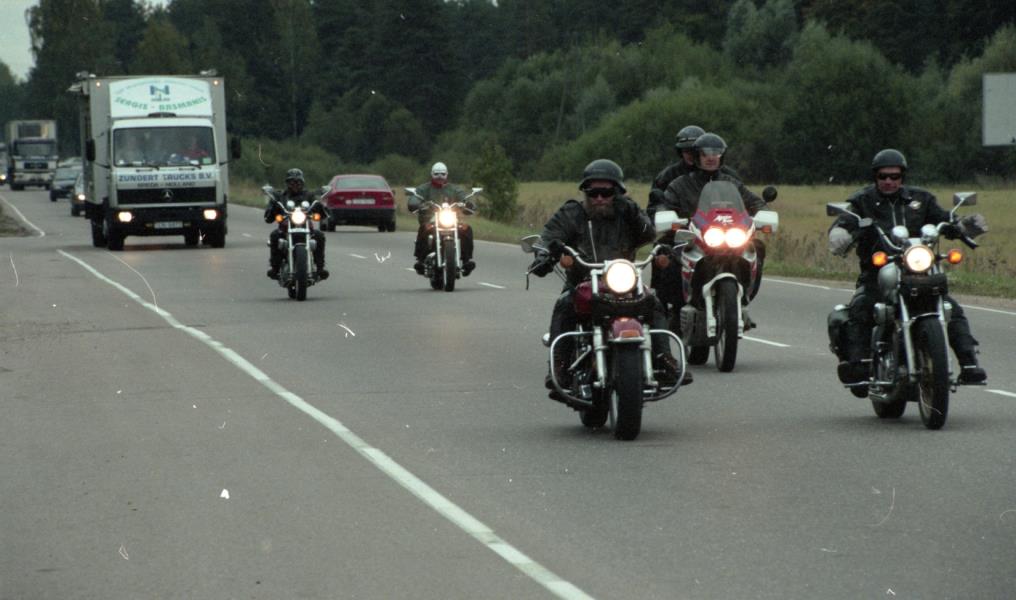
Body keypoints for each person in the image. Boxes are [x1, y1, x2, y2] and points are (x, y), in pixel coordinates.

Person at [529, 159, 692, 399]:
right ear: (585, 192)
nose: (599, 198)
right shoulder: (572, 213)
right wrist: (544, 254)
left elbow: (648, 233)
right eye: (593, 192)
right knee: (565, 304)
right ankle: (559, 366)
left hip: (624, 280)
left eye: (606, 193)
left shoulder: (627, 212)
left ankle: (664, 359)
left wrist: (633, 213)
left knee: (654, 302)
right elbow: (549, 236)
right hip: (584, 279)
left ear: (617, 192)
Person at [828, 148, 988, 384]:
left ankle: (969, 363)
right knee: (863, 307)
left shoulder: (921, 199)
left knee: (950, 308)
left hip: (918, 270)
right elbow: (846, 220)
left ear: (902, 177)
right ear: (875, 177)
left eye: (895, 176)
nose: (889, 181)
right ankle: (859, 364)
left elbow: (944, 219)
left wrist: (962, 225)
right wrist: (841, 232)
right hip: (878, 272)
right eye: (883, 176)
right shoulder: (863, 201)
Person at [654, 132, 768, 325]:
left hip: (726, 235)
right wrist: (669, 217)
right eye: (705, 153)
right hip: (691, 236)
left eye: (716, 153)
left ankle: (744, 297)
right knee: (668, 255)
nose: (711, 157)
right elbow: (665, 204)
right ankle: (672, 308)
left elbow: (753, 201)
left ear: (722, 156)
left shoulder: (731, 182)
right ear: (697, 156)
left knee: (756, 247)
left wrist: (763, 213)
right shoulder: (680, 184)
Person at [412, 162, 476, 276]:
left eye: (442, 174)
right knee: (423, 229)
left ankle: (466, 261)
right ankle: (420, 260)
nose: (440, 176)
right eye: (436, 174)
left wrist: (468, 204)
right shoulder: (424, 188)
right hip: (430, 219)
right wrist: (417, 204)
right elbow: (415, 197)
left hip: (451, 220)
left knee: (466, 229)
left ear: (447, 174)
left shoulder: (454, 189)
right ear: (432, 174)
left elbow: (464, 198)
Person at [265, 168, 329, 280]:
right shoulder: (281, 196)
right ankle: (275, 268)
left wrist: (320, 206)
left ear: (302, 183)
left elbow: (322, 212)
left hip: (305, 226)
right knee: (275, 236)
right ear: (287, 183)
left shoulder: (309, 195)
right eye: (292, 182)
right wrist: (273, 207)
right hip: (286, 227)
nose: (295, 185)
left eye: (298, 182)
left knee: (319, 236)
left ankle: (320, 268)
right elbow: (268, 218)